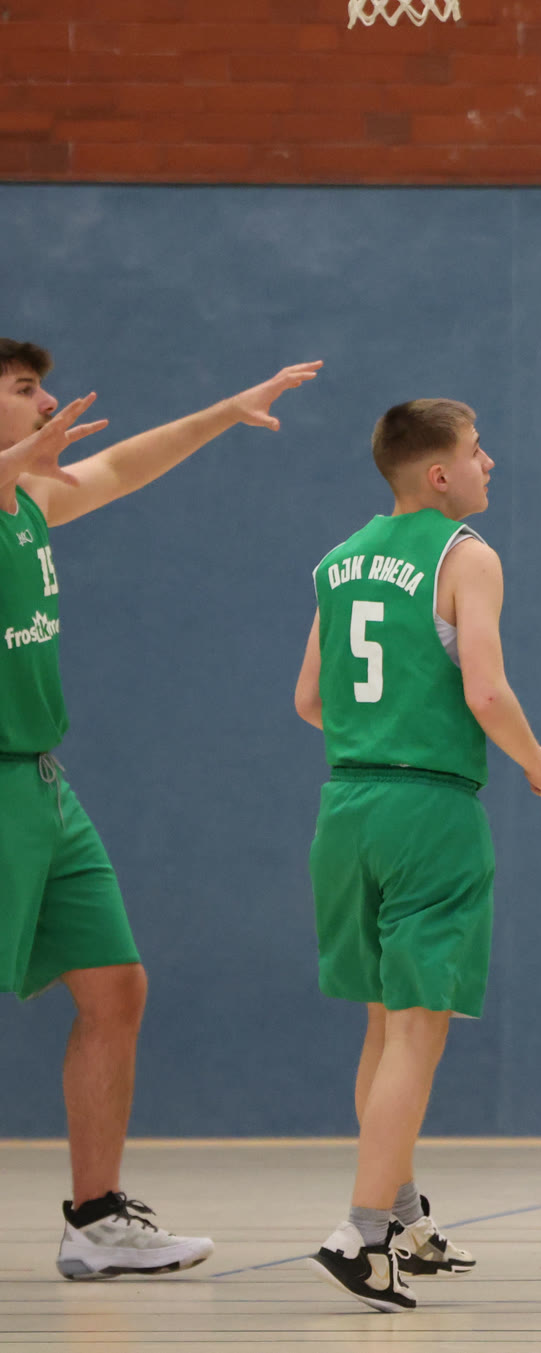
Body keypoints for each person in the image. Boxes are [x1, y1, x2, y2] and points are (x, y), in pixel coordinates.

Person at [1, 339, 320, 1279]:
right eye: (24, 389)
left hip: (42, 783)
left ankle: (96, 1220)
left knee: (115, 986)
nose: (49, 402)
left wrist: (225, 410)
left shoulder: (30, 504)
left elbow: (121, 465)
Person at [293, 399, 541, 1312]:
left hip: (346, 805)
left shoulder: (337, 561)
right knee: (417, 1030)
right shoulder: (466, 556)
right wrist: (536, 760)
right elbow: (485, 689)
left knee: (383, 1027)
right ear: (440, 473)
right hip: (428, 810)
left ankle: (403, 1214)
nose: (492, 463)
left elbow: (310, 700)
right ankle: (361, 1232)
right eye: (479, 451)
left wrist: (378, 731)